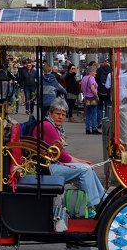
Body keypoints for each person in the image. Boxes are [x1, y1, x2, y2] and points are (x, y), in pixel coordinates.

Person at [31, 98, 106, 230]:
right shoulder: (48, 127)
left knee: (88, 168)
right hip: (47, 168)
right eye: (57, 114)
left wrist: (80, 161)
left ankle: (103, 199)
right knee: (85, 170)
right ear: (50, 113)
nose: (61, 117)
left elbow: (61, 153)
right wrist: (79, 162)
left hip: (52, 164)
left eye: (63, 114)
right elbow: (63, 156)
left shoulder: (53, 126)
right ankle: (94, 205)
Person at [80, 61, 100, 134]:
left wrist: (85, 93)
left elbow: (82, 88)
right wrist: (97, 95)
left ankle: (87, 129)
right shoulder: (91, 78)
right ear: (91, 72)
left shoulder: (84, 78)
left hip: (86, 97)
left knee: (88, 114)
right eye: (95, 72)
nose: (96, 73)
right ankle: (94, 128)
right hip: (92, 97)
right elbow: (92, 88)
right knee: (94, 113)